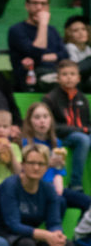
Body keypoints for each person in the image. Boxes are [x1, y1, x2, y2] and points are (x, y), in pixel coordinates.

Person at [42, 59, 91, 202]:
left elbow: (87, 122)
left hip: (80, 133)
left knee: (83, 137)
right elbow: (51, 125)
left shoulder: (82, 98)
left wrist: (84, 129)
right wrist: (81, 130)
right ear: (58, 78)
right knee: (82, 139)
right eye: (64, 74)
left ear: (78, 78)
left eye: (72, 74)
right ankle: (75, 184)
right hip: (60, 136)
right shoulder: (50, 98)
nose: (69, 77)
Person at [8, 0, 66, 92]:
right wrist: (43, 24)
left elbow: (64, 55)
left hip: (57, 75)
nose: (39, 7)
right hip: (31, 79)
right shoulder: (16, 30)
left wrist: (42, 58)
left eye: (43, 4)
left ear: (48, 7)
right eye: (35, 3)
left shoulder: (52, 30)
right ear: (27, 6)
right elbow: (36, 53)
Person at [22, 100, 70, 196]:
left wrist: (59, 190)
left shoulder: (56, 143)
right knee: (60, 203)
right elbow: (25, 173)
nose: (42, 121)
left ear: (50, 120)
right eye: (37, 117)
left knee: (86, 201)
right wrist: (48, 163)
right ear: (30, 121)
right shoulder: (25, 143)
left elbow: (58, 171)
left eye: (45, 117)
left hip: (53, 186)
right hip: (36, 187)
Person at [64, 14, 91, 90]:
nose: (81, 33)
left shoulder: (88, 48)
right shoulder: (69, 47)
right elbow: (74, 69)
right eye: (76, 30)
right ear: (69, 34)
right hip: (75, 80)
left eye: (83, 29)